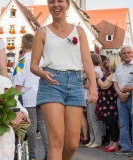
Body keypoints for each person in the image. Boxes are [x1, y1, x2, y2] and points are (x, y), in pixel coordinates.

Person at [30, 0, 98, 159]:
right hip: (51, 82)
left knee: (73, 143)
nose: (56, 5)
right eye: (51, 2)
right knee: (57, 140)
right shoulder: (42, 32)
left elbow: (87, 61)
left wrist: (93, 86)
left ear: (67, 4)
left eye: (60, 1)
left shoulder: (79, 31)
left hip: (75, 82)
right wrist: (42, 73)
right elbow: (33, 65)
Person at [13, 33, 48, 160]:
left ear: (22, 45)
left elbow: (18, 83)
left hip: (28, 96)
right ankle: (49, 152)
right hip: (43, 95)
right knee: (43, 124)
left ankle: (31, 154)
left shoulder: (22, 62)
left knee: (31, 125)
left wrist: (15, 99)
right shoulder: (42, 60)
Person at [95, 53, 121, 152]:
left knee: (113, 122)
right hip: (106, 101)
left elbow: (104, 85)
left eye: (108, 60)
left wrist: (97, 77)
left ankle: (115, 144)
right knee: (109, 123)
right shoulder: (109, 72)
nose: (106, 62)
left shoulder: (114, 73)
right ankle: (111, 142)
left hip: (111, 101)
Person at [112, 45, 133, 155]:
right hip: (121, 98)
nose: (127, 54)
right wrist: (120, 93)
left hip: (131, 97)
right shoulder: (119, 67)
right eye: (124, 53)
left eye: (129, 52)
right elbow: (115, 82)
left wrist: (127, 94)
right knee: (123, 124)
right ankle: (126, 147)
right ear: (121, 55)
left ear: (132, 53)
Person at [84, 54, 103, 148]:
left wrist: (84, 84)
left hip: (93, 97)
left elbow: (91, 85)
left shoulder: (97, 70)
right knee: (90, 120)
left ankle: (97, 140)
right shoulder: (93, 70)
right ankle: (92, 139)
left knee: (93, 120)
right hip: (89, 97)